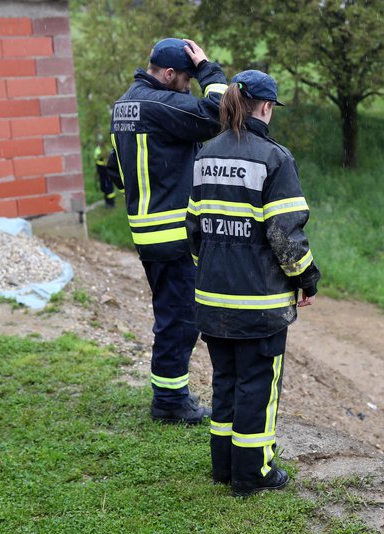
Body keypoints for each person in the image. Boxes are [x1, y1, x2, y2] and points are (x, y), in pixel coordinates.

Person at [186, 70, 321, 496]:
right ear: (266, 107)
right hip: (258, 304)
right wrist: (307, 279)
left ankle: (224, 467)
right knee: (258, 387)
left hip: (211, 298)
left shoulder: (205, 154)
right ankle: (253, 474)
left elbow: (194, 229)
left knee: (225, 381)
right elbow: (285, 235)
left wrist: (211, 269)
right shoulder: (275, 158)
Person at [108, 38, 228, 424]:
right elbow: (218, 115)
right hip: (172, 232)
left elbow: (116, 170)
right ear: (170, 74)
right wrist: (210, 69)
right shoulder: (159, 104)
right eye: (188, 79)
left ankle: (170, 394)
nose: (190, 86)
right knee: (181, 319)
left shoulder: (125, 104)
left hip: (147, 229)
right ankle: (170, 402)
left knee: (172, 315)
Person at [93, 142, 116, 208]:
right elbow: (96, 159)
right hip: (101, 171)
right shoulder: (98, 149)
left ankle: (111, 203)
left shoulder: (106, 150)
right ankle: (107, 202)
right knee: (104, 186)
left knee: (109, 186)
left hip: (105, 170)